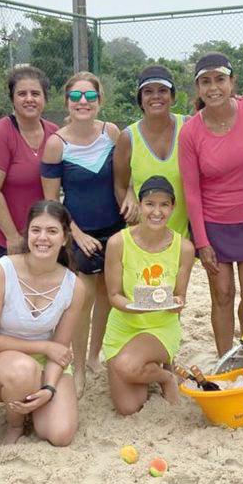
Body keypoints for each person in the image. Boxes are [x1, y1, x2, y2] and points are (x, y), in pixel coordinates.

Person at [179, 52, 243, 357]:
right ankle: (225, 359)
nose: (213, 87)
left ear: (232, 81)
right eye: (205, 81)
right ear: (197, 88)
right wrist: (202, 241)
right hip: (214, 226)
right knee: (221, 295)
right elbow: (191, 192)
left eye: (220, 79)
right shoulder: (190, 132)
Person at [0, 200, 84, 445]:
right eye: (36, 230)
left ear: (65, 238)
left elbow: (60, 349)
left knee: (60, 434)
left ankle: (34, 401)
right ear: (27, 234)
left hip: (46, 362)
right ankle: (15, 425)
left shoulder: (74, 286)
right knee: (23, 370)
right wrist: (44, 347)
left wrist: (49, 388)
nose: (43, 238)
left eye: (52, 231)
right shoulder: (0, 272)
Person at [41, 72, 124, 397]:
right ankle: (76, 369)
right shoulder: (56, 144)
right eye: (76, 97)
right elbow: (51, 202)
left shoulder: (112, 133)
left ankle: (93, 357)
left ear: (100, 101)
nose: (83, 103)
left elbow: (122, 180)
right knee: (82, 302)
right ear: (67, 103)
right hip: (80, 232)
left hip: (114, 230)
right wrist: (75, 233)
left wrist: (129, 195)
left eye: (90, 97)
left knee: (107, 297)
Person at [103, 176, 195, 415]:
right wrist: (137, 306)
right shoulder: (117, 243)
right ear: (139, 205)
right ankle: (149, 368)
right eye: (150, 204)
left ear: (173, 207)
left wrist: (176, 304)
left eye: (164, 204)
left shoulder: (184, 248)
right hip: (124, 326)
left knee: (127, 365)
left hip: (160, 327)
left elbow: (179, 298)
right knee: (128, 407)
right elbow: (113, 295)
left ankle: (165, 376)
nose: (157, 211)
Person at [0, 66, 58, 258]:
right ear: (12, 99)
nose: (29, 99)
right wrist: (12, 237)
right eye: (22, 93)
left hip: (46, 235)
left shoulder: (55, 134)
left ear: (44, 98)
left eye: (35, 93)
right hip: (12, 236)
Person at [113, 65, 189, 237]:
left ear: (172, 96)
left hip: (183, 238)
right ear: (140, 99)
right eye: (148, 91)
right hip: (143, 239)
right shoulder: (128, 138)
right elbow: (120, 185)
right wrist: (134, 220)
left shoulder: (188, 127)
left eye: (162, 90)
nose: (156, 96)